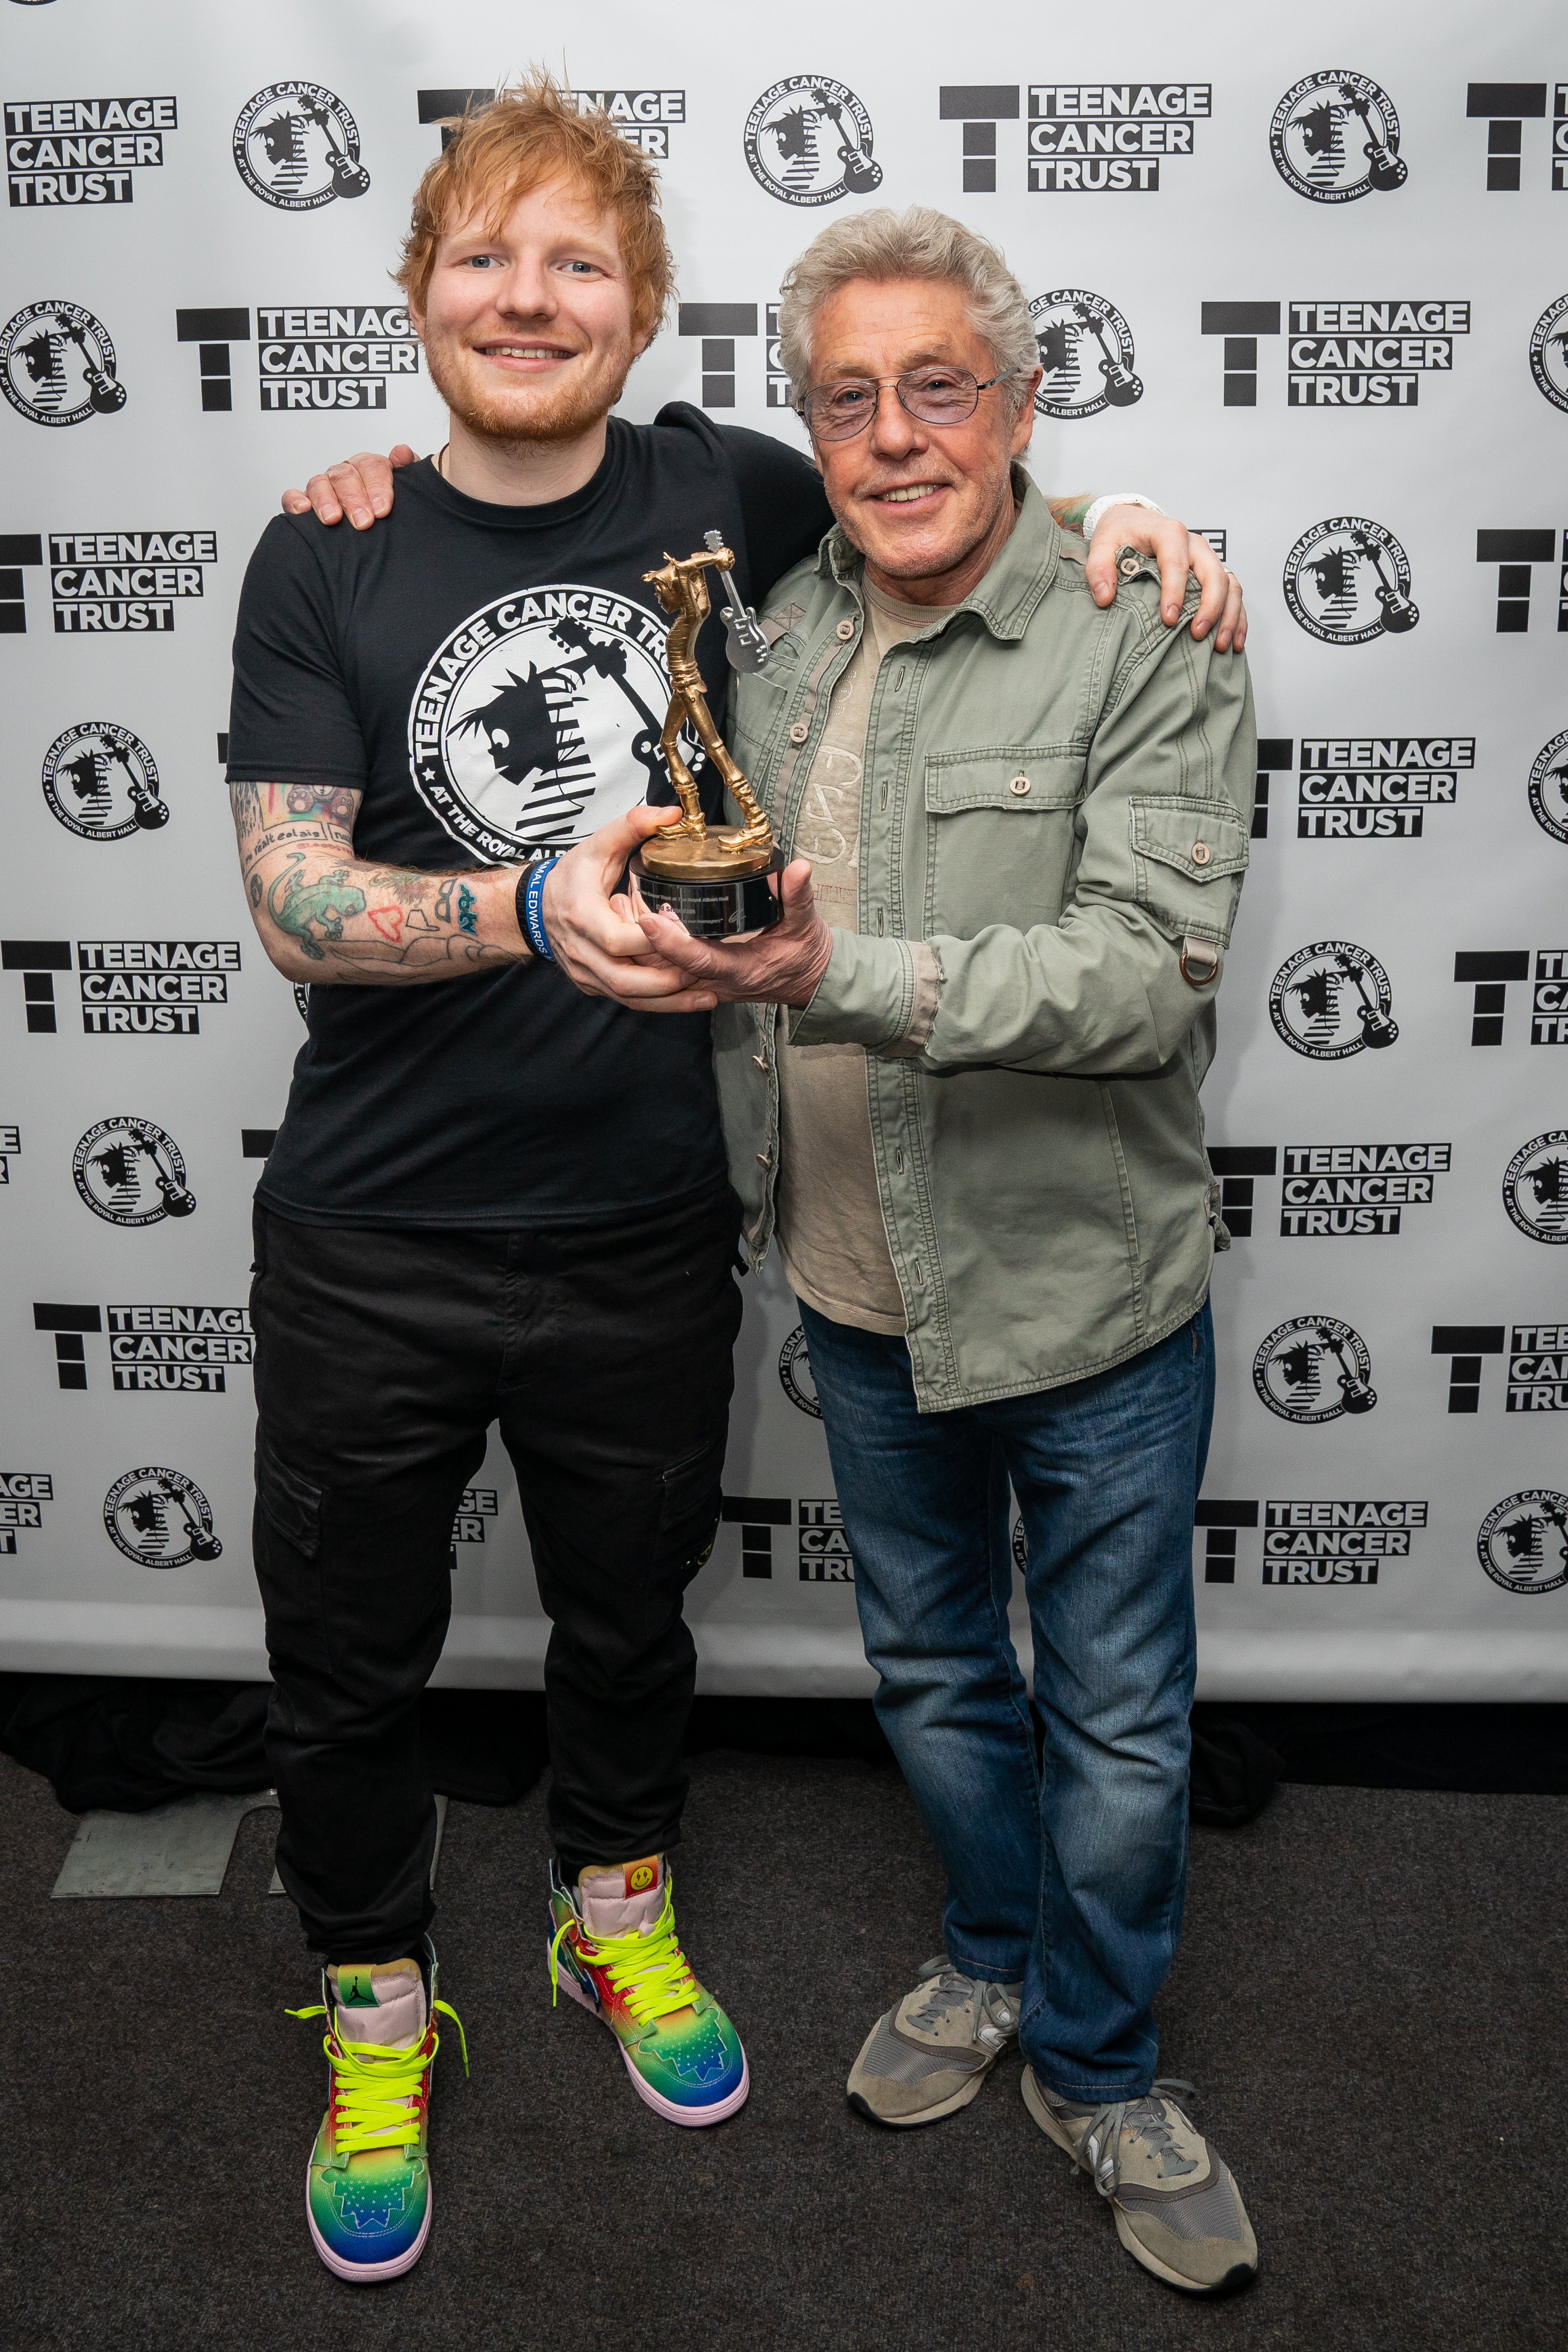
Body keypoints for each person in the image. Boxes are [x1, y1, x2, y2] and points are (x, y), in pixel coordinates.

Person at [240, 74, 1242, 2284]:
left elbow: (972, 504)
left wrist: (1141, 528)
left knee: (633, 1624)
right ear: (415, 289)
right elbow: (298, 897)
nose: (528, 296)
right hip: (380, 1227)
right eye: (484, 258)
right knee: (348, 1658)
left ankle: (633, 1920)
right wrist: (520, 910)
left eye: (575, 262)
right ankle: (378, 2007)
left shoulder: (741, 486)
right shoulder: (326, 539)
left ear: (641, 307)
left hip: (649, 1225)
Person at [574, 206, 1259, 2298]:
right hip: (857, 1296)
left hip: (1087, 1294)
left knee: (1123, 1719)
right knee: (942, 1673)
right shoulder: (769, 639)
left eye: (937, 386)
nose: (891, 437)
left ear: (1025, 403)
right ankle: (985, 1954)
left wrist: (836, 965)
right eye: (846, 398)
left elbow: (1143, 977)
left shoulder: (1149, 623)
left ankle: (1101, 2054)